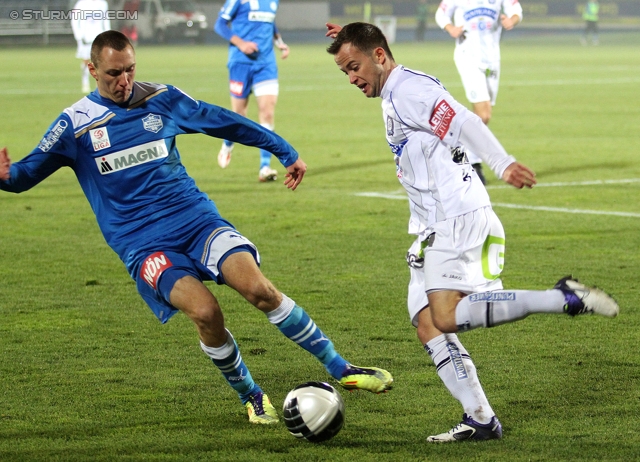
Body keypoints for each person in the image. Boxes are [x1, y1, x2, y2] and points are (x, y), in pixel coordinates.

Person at [0, 30, 393, 425]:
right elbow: (23, 175)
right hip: (143, 245)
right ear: (92, 70)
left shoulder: (161, 100)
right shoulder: (75, 125)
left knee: (259, 289)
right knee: (206, 312)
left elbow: (223, 121)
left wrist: (283, 149)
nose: (124, 82)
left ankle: (342, 368)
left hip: (195, 220)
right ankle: (252, 396)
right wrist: (4, 175)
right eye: (114, 74)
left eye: (131, 70)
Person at [325, 22, 619, 442]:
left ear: (379, 56)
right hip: (432, 223)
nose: (352, 78)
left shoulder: (408, 90)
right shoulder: (396, 88)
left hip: (456, 218)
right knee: (427, 324)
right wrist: (353, 31)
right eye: (344, 72)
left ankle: (563, 297)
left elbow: (464, 122)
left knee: (444, 317)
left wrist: (502, 163)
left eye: (354, 66)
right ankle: (480, 417)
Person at [434, 0, 522, 184]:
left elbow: (516, 9)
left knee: (481, 116)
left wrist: (512, 20)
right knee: (484, 114)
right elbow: (440, 14)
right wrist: (450, 28)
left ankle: (458, 149)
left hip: (491, 60)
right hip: (468, 57)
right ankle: (472, 163)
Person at [214, 0, 290, 182]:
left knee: (267, 112)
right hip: (240, 63)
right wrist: (241, 44)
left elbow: (270, 22)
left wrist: (279, 42)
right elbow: (220, 24)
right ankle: (227, 144)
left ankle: (265, 167)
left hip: (266, 64)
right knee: (239, 115)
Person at [71, 0, 111, 93]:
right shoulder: (81, 3)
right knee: (86, 60)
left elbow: (106, 20)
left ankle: (99, 84)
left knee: (101, 61)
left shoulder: (102, 4)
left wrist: (108, 34)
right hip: (86, 37)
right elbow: (74, 20)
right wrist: (78, 35)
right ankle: (85, 83)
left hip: (99, 36)